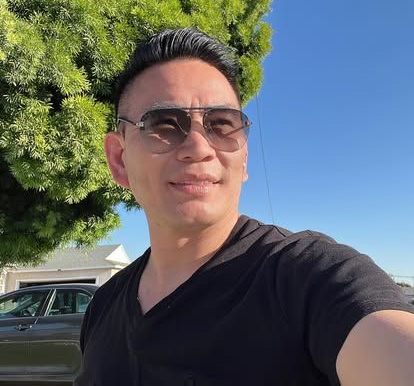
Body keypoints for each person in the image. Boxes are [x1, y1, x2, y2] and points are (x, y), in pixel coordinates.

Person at [75, 28, 414, 386]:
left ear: (244, 159)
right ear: (119, 159)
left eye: (221, 124)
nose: (200, 148)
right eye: (164, 125)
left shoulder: (308, 279)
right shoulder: (103, 307)